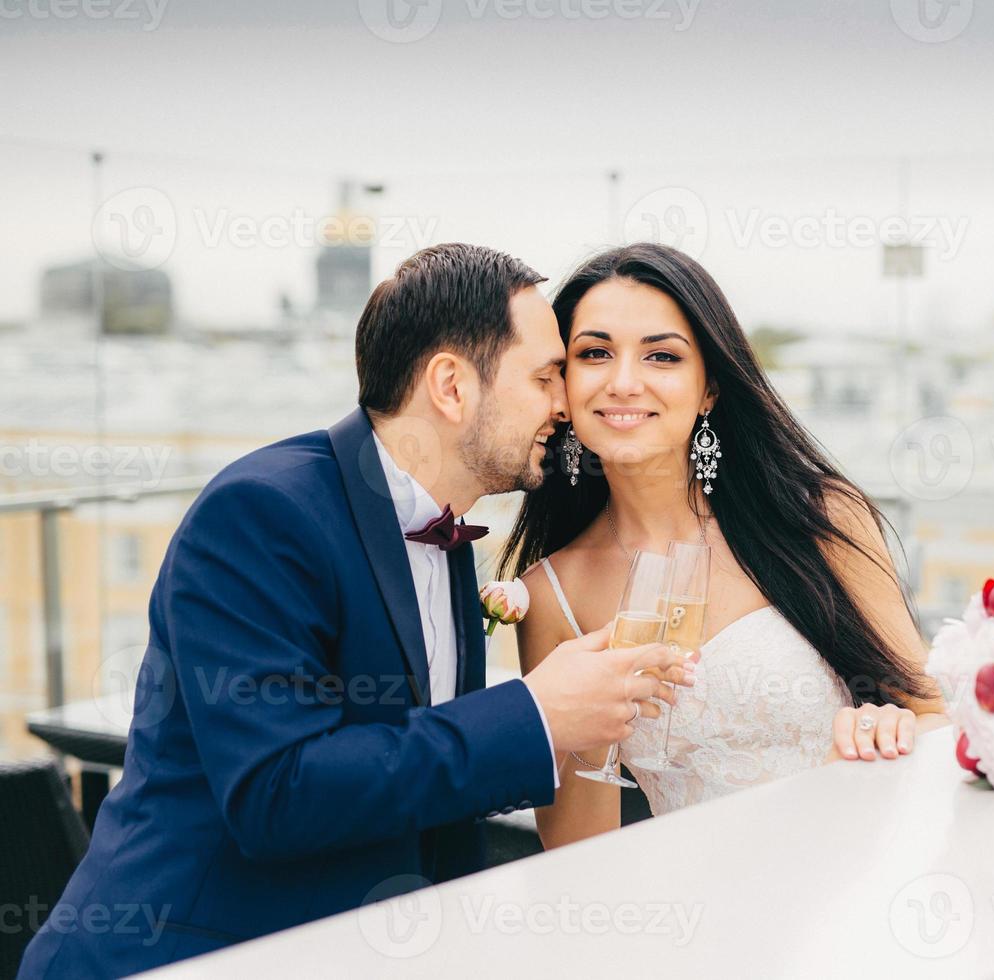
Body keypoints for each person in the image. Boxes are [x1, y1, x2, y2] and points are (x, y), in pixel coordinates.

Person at [19, 243, 693, 977]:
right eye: (543, 378)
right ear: (450, 386)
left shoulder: (450, 533)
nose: (566, 406)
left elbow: (427, 794)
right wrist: (534, 715)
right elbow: (276, 794)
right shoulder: (262, 513)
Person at [501, 243, 949, 847]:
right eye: (595, 353)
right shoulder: (551, 594)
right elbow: (580, 851)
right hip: (699, 917)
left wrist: (888, 729)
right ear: (564, 384)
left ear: (709, 388)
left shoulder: (822, 520)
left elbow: (933, 719)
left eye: (662, 356)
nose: (624, 382)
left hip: (858, 888)